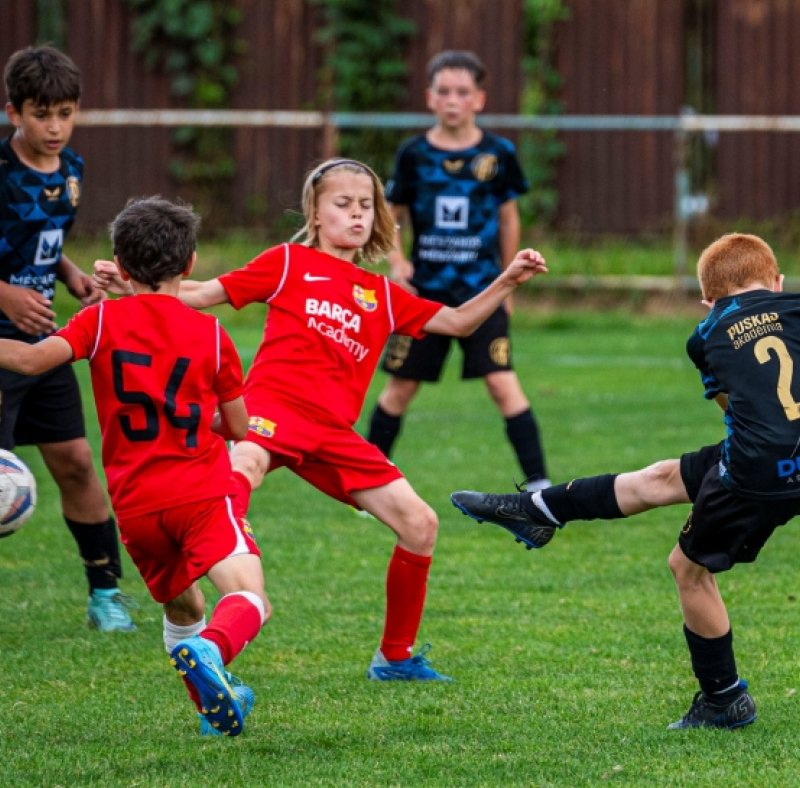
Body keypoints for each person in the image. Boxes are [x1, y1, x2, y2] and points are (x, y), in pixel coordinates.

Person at [96, 158, 548, 682]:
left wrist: (507, 279)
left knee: (420, 524)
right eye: (343, 203)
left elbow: (456, 321)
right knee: (243, 460)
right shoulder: (287, 263)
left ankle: (395, 658)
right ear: (315, 210)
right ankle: (223, 590)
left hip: (332, 433)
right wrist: (139, 290)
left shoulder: (379, 293)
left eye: (366, 206)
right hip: (271, 409)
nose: (356, 215)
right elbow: (200, 294)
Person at [451, 232, 800, 730]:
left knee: (689, 568)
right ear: (778, 282)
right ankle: (538, 511)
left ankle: (724, 701)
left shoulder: (705, 333)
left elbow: (733, 407)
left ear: (708, 300)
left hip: (760, 465)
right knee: (661, 478)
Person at [0, 197, 270, 736]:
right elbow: (238, 429)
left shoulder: (98, 321)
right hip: (199, 490)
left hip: (136, 507)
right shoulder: (212, 336)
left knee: (183, 606)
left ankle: (211, 715)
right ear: (191, 263)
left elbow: (30, 360)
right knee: (248, 597)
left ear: (119, 267)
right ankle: (214, 654)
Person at [365, 50, 549, 491]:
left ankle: (540, 487)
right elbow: (392, 214)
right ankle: (367, 481)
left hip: (481, 295)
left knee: (503, 385)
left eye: (462, 92)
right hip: (423, 298)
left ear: (479, 99)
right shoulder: (413, 153)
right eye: (443, 91)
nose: (452, 100)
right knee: (399, 390)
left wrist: (507, 285)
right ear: (429, 97)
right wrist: (398, 261)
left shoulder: (498, 153)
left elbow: (509, 218)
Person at [0, 44, 136, 630]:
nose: (54, 127)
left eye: (65, 113)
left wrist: (73, 275)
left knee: (78, 462)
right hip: (2, 347)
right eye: (40, 114)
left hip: (45, 346)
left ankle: (104, 595)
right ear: (14, 113)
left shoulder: (72, 172)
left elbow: (42, 244)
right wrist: (4, 294)